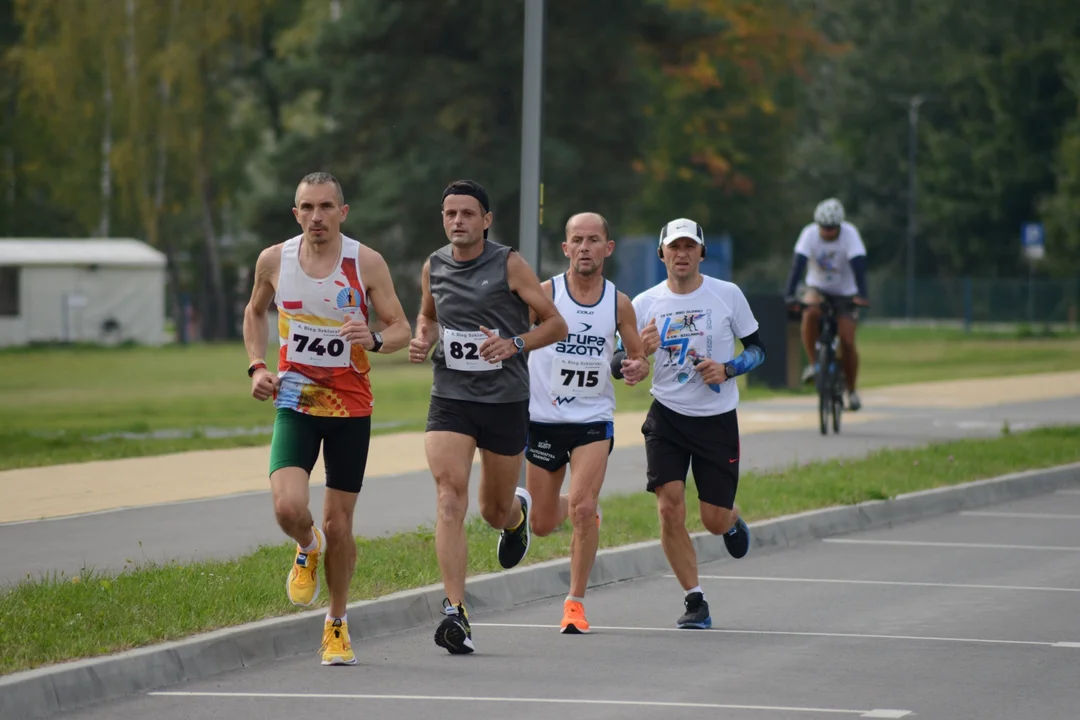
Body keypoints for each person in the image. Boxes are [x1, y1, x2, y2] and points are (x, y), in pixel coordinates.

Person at [242, 172, 412, 666]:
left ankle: (336, 623)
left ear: (343, 212)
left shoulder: (367, 262)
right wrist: (256, 366)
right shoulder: (274, 260)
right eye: (307, 208)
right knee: (288, 509)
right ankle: (304, 545)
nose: (317, 217)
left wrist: (375, 339)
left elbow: (400, 327)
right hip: (295, 402)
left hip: (350, 409)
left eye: (326, 207)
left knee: (341, 527)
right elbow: (254, 313)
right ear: (296, 214)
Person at [409, 179, 568, 654]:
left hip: (503, 401)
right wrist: (424, 337)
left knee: (491, 509)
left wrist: (514, 343)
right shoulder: (433, 266)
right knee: (448, 496)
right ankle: (455, 611)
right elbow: (429, 317)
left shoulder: (509, 264)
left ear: (486, 220)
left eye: (467, 214)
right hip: (451, 397)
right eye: (450, 213)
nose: (457, 221)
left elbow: (555, 323)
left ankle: (515, 516)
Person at [632, 217, 765, 630]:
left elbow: (758, 349)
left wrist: (728, 369)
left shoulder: (727, 295)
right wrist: (639, 354)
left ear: (701, 253)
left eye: (690, 246)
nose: (682, 253)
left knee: (712, 518)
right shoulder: (644, 303)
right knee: (670, 508)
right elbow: (623, 362)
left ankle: (731, 519)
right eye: (675, 247)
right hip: (667, 417)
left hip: (716, 419)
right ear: (662, 254)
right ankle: (695, 600)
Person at [524, 212, 650, 634]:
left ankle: (574, 603)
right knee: (541, 524)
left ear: (607, 248)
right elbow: (515, 341)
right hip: (543, 420)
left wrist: (635, 368)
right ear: (565, 248)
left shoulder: (619, 303)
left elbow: (636, 358)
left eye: (593, 240)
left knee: (581, 506)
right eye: (577, 240)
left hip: (592, 420)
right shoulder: (543, 294)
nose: (584, 247)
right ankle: (583, 513)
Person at [783, 197, 870, 410]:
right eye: (824, 227)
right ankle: (815, 364)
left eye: (832, 228)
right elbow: (798, 265)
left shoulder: (850, 234)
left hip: (845, 292)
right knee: (810, 313)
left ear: (839, 225)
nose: (828, 232)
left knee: (848, 342)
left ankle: (851, 390)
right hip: (818, 288)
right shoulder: (809, 234)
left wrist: (862, 294)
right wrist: (789, 294)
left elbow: (859, 265)